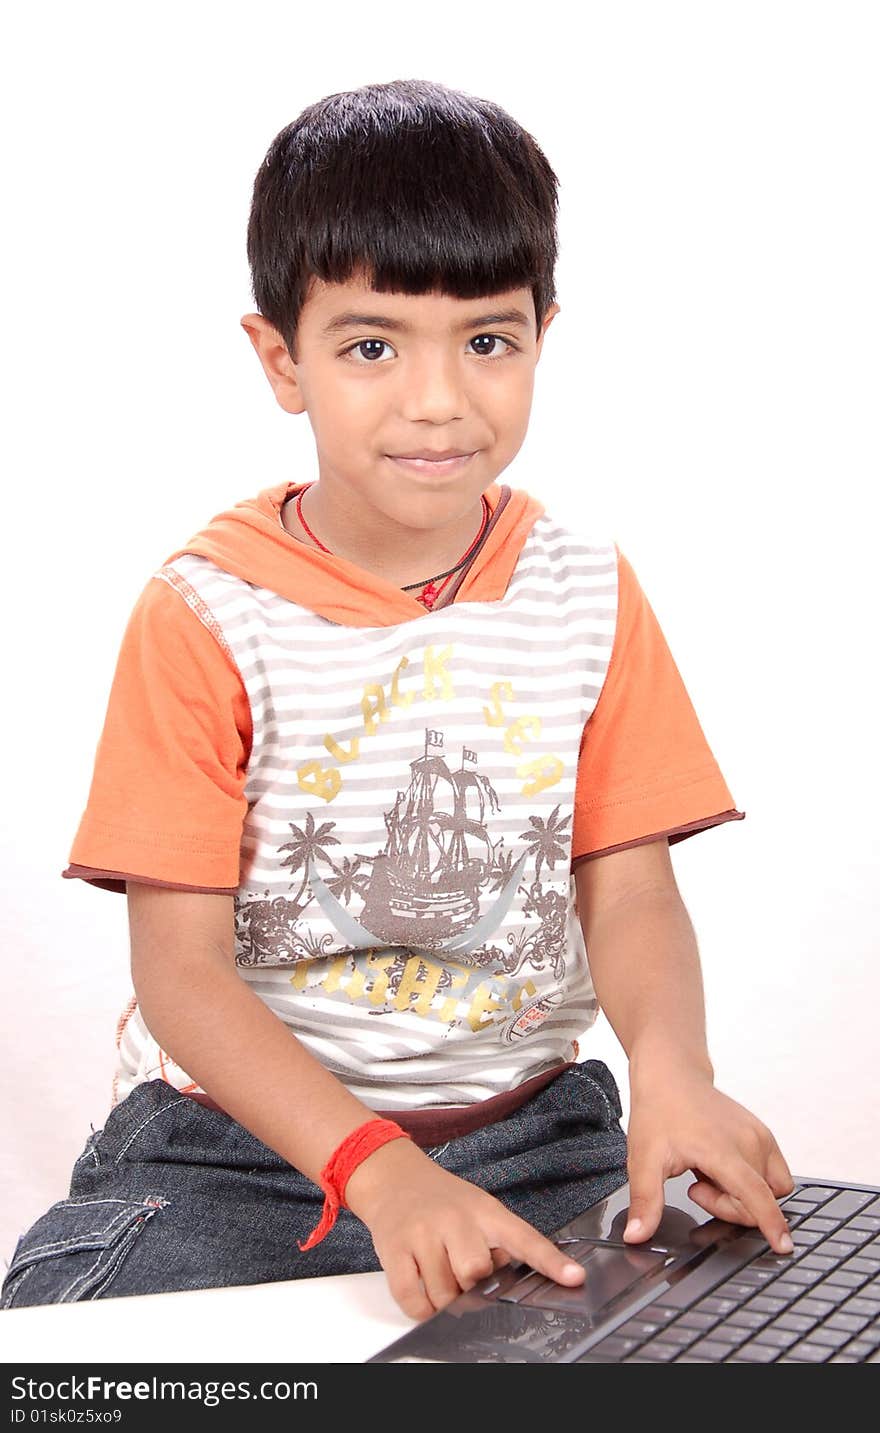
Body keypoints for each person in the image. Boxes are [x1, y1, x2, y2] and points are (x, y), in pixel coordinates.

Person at [2, 77, 795, 1321]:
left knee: (707, 1323)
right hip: (242, 1148)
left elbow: (630, 885)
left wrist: (673, 1069)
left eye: (487, 340)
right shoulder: (206, 612)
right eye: (371, 345)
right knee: (76, 1346)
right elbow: (183, 974)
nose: (437, 400)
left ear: (541, 334)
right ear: (282, 359)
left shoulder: (586, 589)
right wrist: (378, 1172)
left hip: (531, 1131)